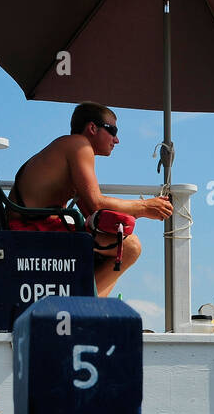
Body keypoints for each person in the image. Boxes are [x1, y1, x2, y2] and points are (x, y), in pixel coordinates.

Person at [10, 102, 174, 297]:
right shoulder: (80, 146)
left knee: (120, 242)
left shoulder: (68, 148)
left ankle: (86, 302)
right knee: (130, 247)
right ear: (92, 128)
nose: (117, 139)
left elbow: (93, 214)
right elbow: (96, 202)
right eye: (112, 130)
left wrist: (132, 216)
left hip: (30, 228)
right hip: (32, 232)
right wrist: (144, 207)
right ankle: (85, 305)